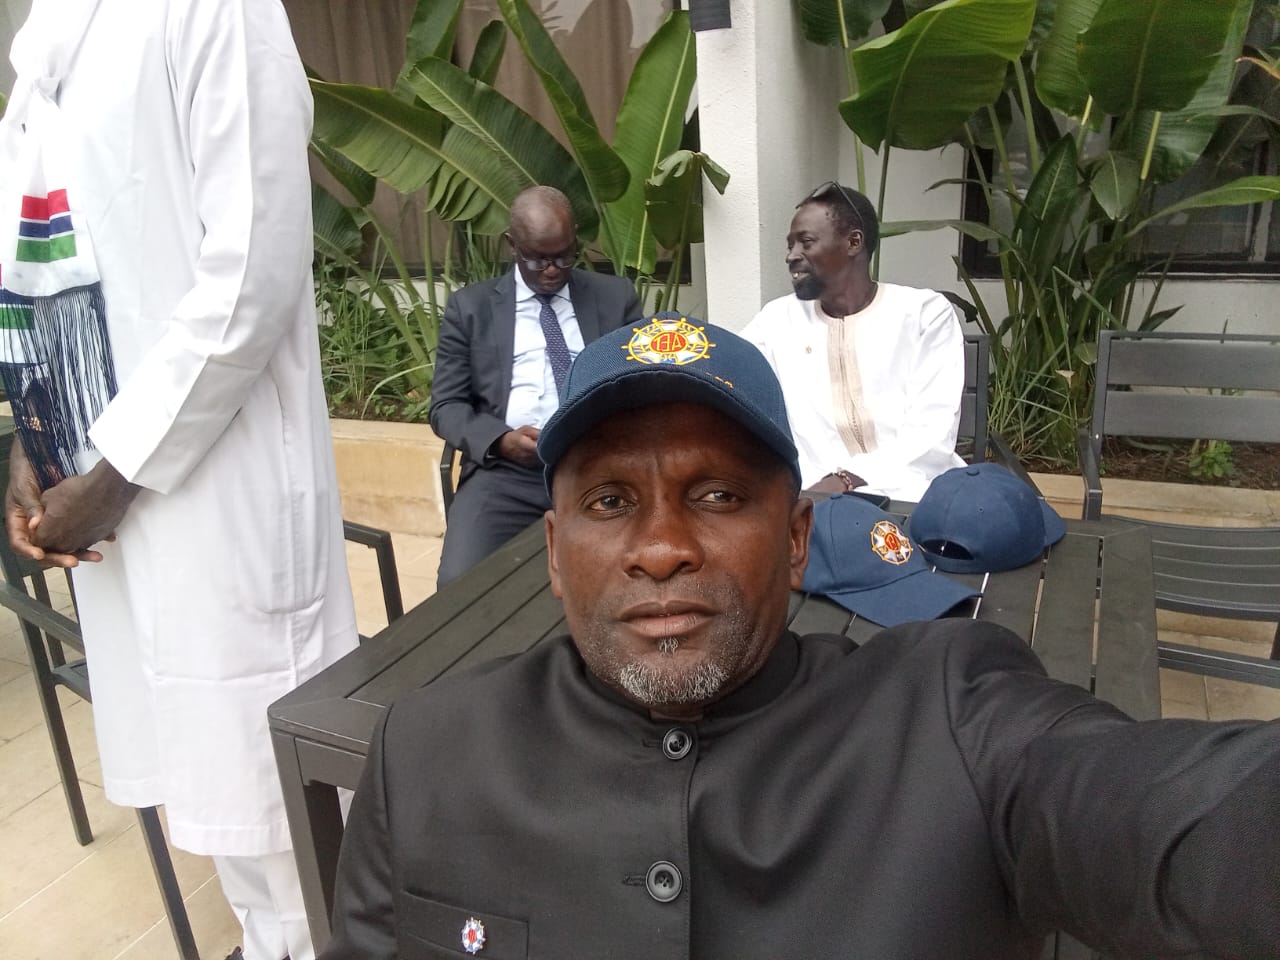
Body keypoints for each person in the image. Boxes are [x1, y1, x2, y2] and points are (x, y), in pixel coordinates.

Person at [320, 315, 1278, 960]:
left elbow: (1166, 813)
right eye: (610, 501)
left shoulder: (951, 719)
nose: (661, 547)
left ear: (794, 538)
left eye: (716, 494)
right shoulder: (426, 754)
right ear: (555, 552)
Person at [0, 3, 357, 959]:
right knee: (198, 768)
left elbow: (252, 274)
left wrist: (115, 474)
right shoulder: (50, 36)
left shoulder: (219, 11)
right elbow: (42, 260)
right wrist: (36, 436)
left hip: (212, 478)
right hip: (104, 476)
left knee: (270, 785)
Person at [429, 185, 642, 586]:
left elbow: (639, 385)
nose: (552, 270)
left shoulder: (615, 298)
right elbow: (446, 406)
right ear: (512, 244)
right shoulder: (471, 308)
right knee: (458, 584)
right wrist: (500, 440)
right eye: (538, 259)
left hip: (596, 465)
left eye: (564, 256)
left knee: (629, 576)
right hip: (505, 474)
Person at [742, 181, 965, 502]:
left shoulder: (923, 315)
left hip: (914, 494)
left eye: (806, 242)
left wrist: (847, 479)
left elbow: (932, 431)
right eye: (790, 245)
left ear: (853, 242)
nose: (791, 256)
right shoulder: (776, 321)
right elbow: (731, 374)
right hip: (817, 501)